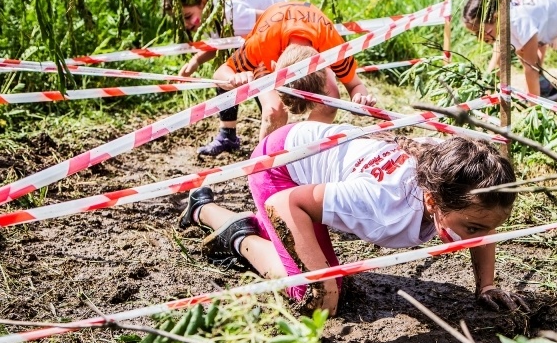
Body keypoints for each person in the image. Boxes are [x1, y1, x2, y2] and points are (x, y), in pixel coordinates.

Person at [176, 95, 525, 316]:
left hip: (319, 163)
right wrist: (322, 283)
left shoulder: (455, 174)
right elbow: (285, 204)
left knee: (320, 271)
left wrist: (487, 285)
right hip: (278, 164)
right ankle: (220, 221)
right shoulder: (380, 203)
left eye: (486, 228)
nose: (482, 236)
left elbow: (484, 223)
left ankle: (257, 229)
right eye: (474, 230)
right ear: (433, 201)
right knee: (311, 295)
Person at [213, 0, 377, 144]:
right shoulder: (261, 45)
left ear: (324, 69)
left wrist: (359, 100)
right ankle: (266, 167)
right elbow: (220, 74)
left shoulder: (333, 48)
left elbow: (356, 85)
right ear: (275, 65)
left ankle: (306, 149)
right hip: (273, 36)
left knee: (330, 101)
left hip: (315, 41)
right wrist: (234, 78)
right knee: (274, 111)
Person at [163, 0, 288, 155]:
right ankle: (228, 135)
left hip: (280, 30)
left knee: (252, 76)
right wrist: (195, 62)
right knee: (228, 70)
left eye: (188, 16)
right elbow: (221, 44)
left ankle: (274, 137)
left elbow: (276, 20)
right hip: (260, 36)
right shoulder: (214, 11)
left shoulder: (230, 12)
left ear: (202, 1)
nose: (187, 24)